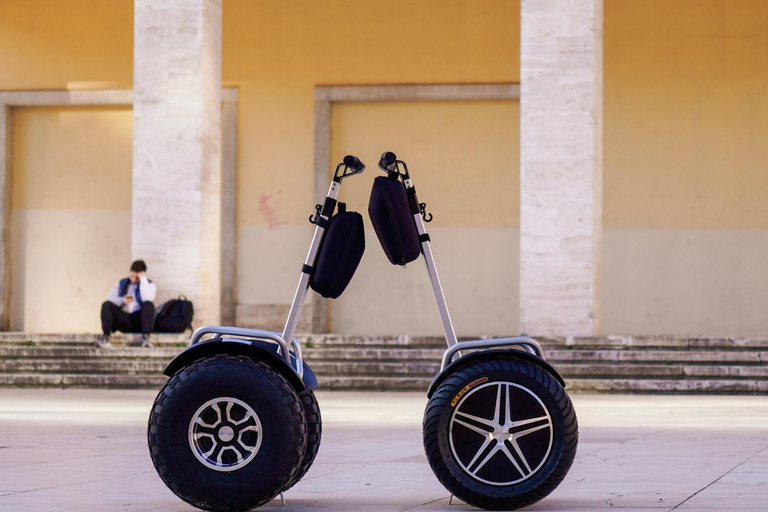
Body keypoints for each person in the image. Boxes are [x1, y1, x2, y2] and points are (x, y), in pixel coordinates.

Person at [96, 260, 157, 348]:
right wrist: (122, 301)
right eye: (132, 276)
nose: (134, 279)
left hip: (139, 320)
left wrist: (143, 279)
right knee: (106, 305)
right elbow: (109, 298)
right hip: (124, 319)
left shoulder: (149, 284)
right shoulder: (122, 283)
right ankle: (106, 337)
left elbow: (148, 298)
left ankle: (146, 338)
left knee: (149, 305)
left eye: (137, 277)